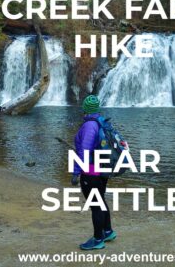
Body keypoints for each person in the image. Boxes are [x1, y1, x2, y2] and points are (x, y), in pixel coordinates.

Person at [71, 95, 116, 250]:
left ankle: (97, 240)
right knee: (100, 200)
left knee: (96, 205)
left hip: (91, 172)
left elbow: (84, 152)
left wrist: (76, 173)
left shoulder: (89, 126)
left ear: (85, 109)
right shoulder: (101, 122)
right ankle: (108, 231)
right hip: (102, 170)